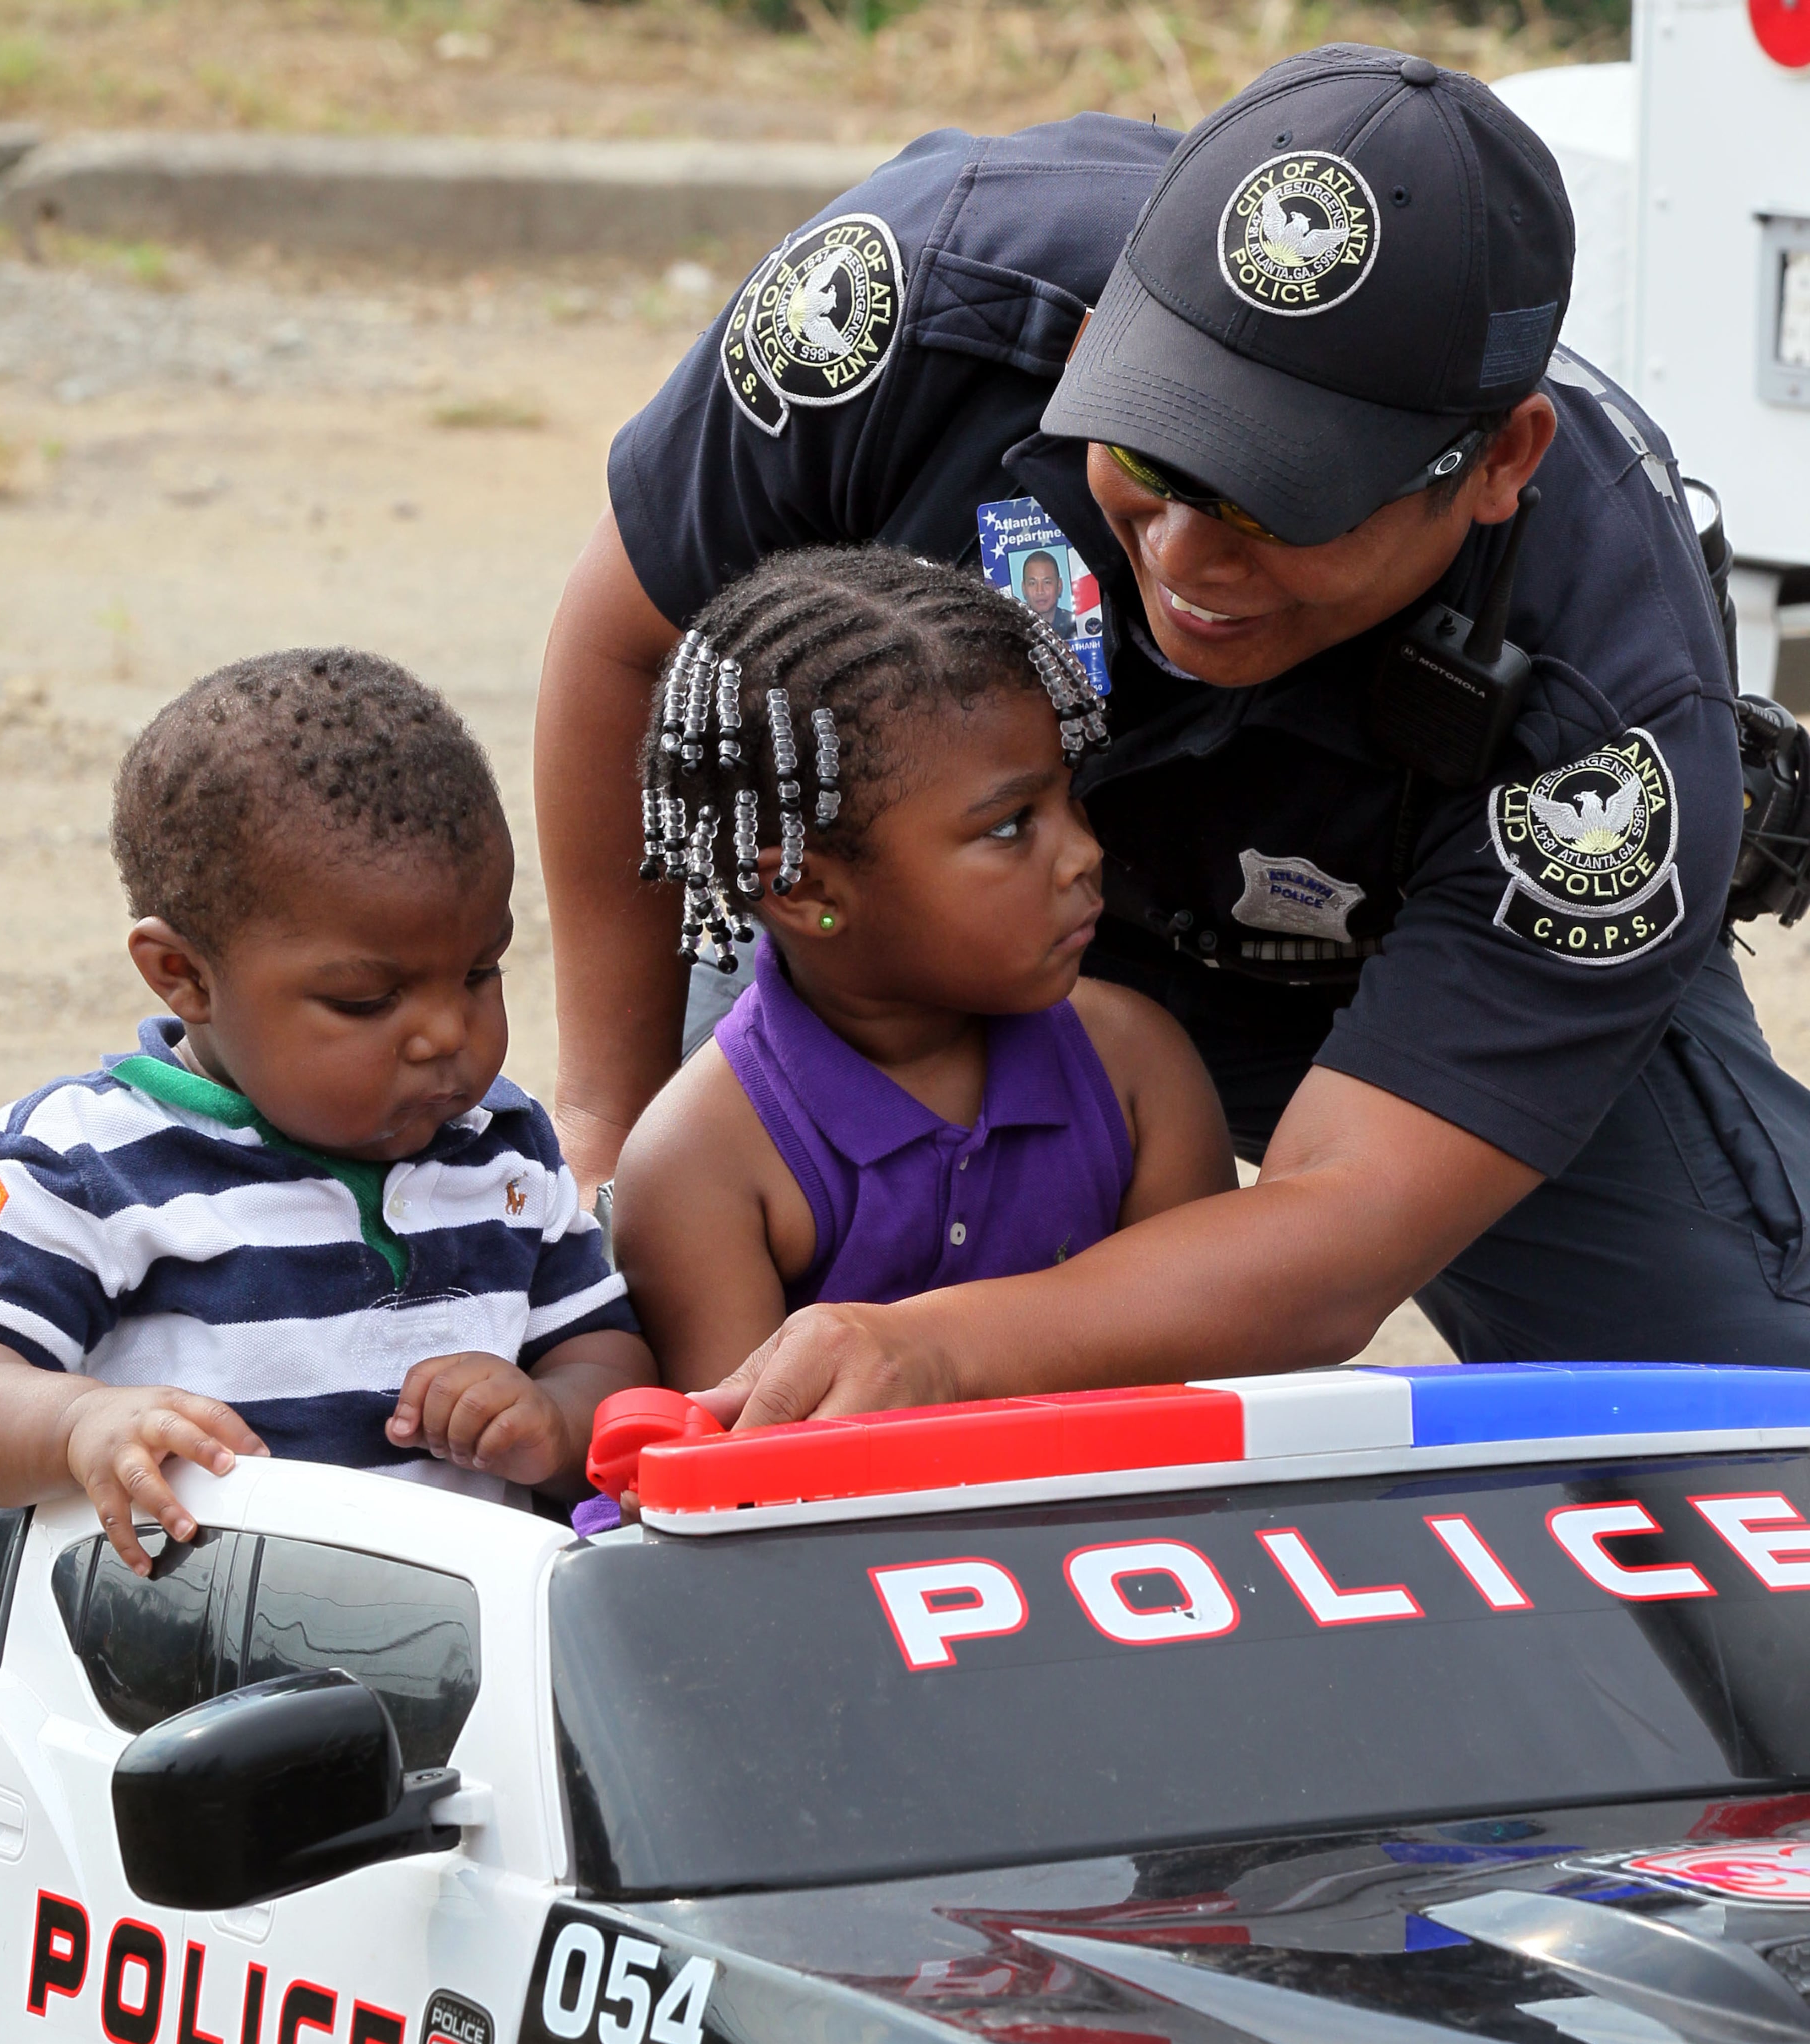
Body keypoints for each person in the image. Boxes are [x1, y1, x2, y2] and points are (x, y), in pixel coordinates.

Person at [539, 42, 1804, 1426]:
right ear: (1104, 333)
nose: (1193, 556)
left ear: (1499, 462)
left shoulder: (1613, 722)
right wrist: (607, 1117)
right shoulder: (911, 303)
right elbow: (631, 644)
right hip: (933, 904)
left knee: (1750, 1419)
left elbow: (1338, 1233)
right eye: (1153, 455)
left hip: (1412, 962)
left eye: (1285, 501)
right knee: (700, 1337)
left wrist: (945, 1347)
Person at [0, 649, 653, 1573]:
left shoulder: (502, 1148)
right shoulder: (88, 1165)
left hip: (464, 1667)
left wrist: (558, 1419)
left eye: (480, 971)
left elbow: (604, 1351)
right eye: (368, 1001)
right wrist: (79, 1418)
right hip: (181, 1677)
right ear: (186, 975)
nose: (447, 1032)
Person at [610, 548, 1234, 1385]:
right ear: (802, 889)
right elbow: (744, 1484)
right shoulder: (705, 1162)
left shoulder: (1135, 1069)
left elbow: (1218, 1381)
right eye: (1012, 825)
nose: (1085, 852)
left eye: (1066, 795)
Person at [1018, 549, 1076, 641]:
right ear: (1024, 588)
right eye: (1032, 583)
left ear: (1059, 586)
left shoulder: (1076, 626)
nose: (1040, 591)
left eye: (1047, 582)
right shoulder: (1014, 631)